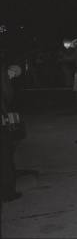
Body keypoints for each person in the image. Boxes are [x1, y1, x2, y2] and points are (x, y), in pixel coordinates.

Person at [1, 63, 23, 202]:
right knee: (6, 157)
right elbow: (8, 98)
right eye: (13, 74)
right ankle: (8, 192)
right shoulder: (3, 76)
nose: (12, 77)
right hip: (2, 122)